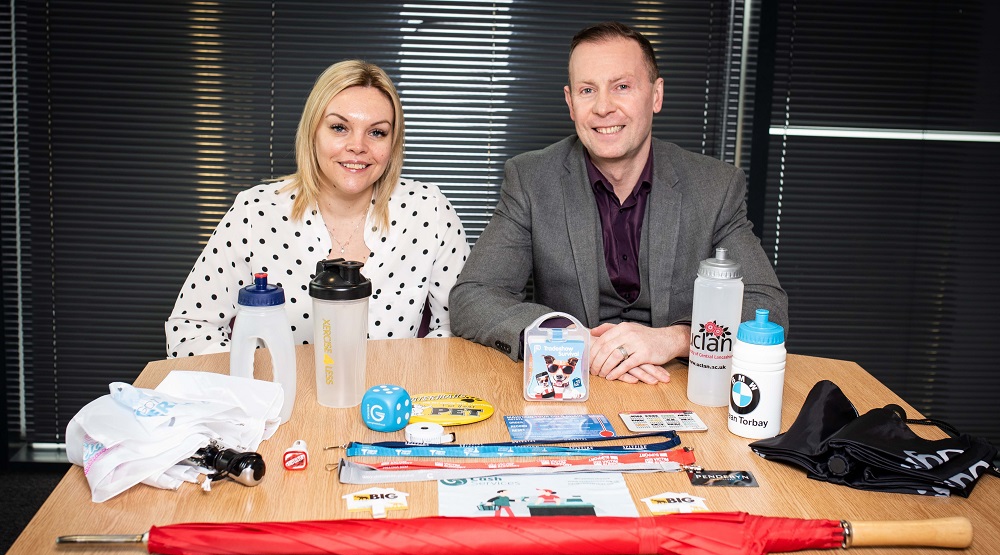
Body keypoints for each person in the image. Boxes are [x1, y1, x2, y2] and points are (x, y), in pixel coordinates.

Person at [449, 22, 787, 385]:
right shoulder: (531, 179)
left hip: (676, 385)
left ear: (656, 95)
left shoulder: (715, 186)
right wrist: (568, 339)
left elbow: (766, 307)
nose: (603, 107)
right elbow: (474, 296)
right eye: (587, 90)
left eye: (622, 87)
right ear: (570, 103)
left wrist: (676, 340)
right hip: (572, 384)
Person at [166, 60, 470, 357]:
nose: (358, 146)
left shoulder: (429, 210)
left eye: (377, 132)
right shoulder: (254, 211)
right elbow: (189, 330)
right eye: (339, 127)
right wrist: (256, 390)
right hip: (281, 402)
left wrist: (410, 385)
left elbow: (460, 328)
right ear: (313, 133)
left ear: (393, 143)